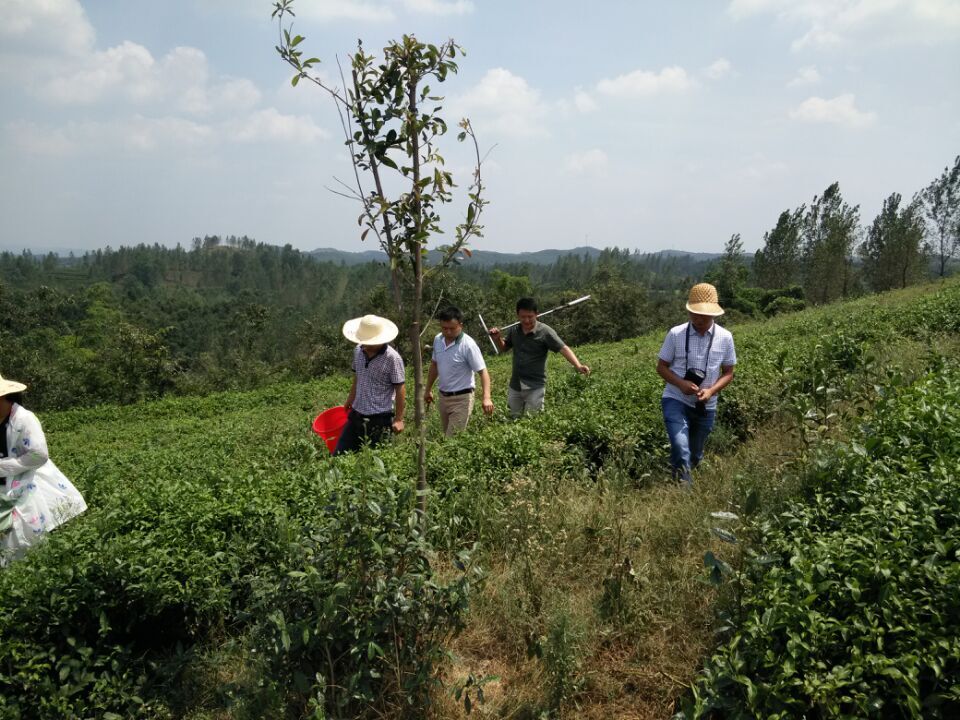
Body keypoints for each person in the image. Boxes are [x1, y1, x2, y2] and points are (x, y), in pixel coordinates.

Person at [0, 374, 87, 565]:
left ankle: (33, 569)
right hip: (4, 485)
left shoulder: (24, 419)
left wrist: (4, 467)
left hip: (28, 480)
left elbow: (38, 455)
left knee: (28, 531)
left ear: (4, 397)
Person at [656, 283, 737, 487]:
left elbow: (729, 373)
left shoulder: (725, 337)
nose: (698, 319)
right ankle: (684, 491)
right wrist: (681, 383)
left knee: (694, 453)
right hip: (676, 398)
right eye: (695, 314)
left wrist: (711, 391)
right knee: (680, 445)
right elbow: (661, 367)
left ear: (713, 315)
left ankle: (680, 478)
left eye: (704, 316)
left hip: (706, 405)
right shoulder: (676, 334)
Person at [489, 297, 590, 419]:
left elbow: (563, 348)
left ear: (537, 314)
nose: (526, 320)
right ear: (517, 315)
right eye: (523, 317)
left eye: (530, 316)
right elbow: (504, 348)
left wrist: (578, 365)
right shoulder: (514, 330)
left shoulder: (545, 332)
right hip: (515, 385)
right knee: (513, 417)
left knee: (532, 420)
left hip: (535, 386)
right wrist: (498, 339)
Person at [333, 315, 406, 456]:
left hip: (379, 418)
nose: (366, 345)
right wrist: (350, 399)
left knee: (377, 460)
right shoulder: (358, 351)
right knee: (339, 455)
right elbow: (358, 377)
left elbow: (400, 388)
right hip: (356, 414)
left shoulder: (392, 358)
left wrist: (398, 419)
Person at [423, 306, 494, 436]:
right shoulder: (438, 340)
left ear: (460, 325)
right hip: (443, 397)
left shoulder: (468, 345)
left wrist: (486, 398)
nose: (448, 332)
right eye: (444, 328)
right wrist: (428, 389)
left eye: (452, 328)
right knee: (447, 436)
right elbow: (434, 365)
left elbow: (483, 372)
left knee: (451, 439)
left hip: (462, 399)